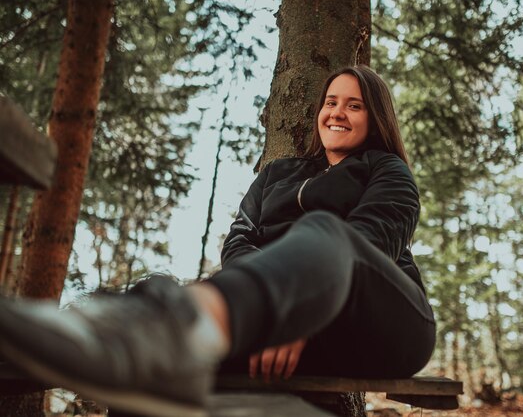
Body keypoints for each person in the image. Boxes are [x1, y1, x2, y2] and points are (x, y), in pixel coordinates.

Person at [0, 65, 435, 417]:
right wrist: (276, 311)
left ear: (375, 117)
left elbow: (370, 242)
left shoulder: (388, 171)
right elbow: (239, 241)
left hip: (382, 321)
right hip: (269, 325)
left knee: (327, 234)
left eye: (354, 105)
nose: (336, 112)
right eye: (330, 102)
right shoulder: (278, 174)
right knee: (153, 372)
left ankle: (163, 326)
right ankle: (110, 333)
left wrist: (299, 310)